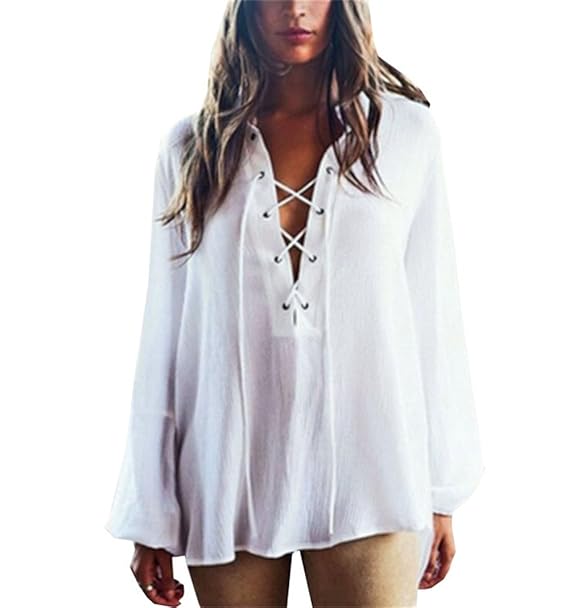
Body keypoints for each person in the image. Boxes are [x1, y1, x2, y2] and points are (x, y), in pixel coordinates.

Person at [104, 1, 485, 606]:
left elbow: (433, 317)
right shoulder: (191, 149)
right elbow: (165, 336)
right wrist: (151, 513)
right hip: (227, 478)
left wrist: (441, 490)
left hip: (374, 474)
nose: (296, 8)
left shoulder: (407, 136)